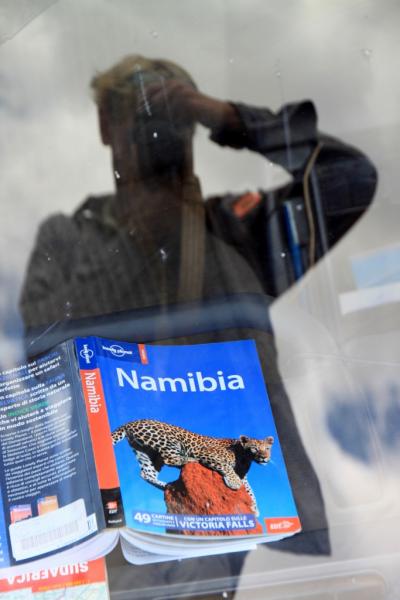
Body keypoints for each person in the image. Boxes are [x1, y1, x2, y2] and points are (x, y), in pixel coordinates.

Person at [19, 55, 377, 589]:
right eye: (137, 109)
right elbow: (39, 344)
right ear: (105, 125)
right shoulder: (66, 240)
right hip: (107, 515)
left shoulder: (236, 231)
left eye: (173, 112)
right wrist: (136, 238)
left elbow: (348, 180)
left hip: (236, 524)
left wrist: (229, 118)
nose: (156, 128)